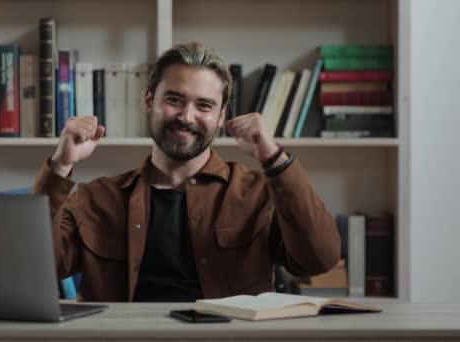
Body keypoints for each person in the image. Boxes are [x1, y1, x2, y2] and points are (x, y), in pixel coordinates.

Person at [32, 42, 340, 302]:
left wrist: (273, 158)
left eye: (204, 106)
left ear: (221, 117)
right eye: (174, 99)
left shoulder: (259, 193)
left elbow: (319, 259)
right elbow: (34, 268)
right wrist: (61, 164)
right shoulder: (95, 198)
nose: (186, 117)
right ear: (149, 101)